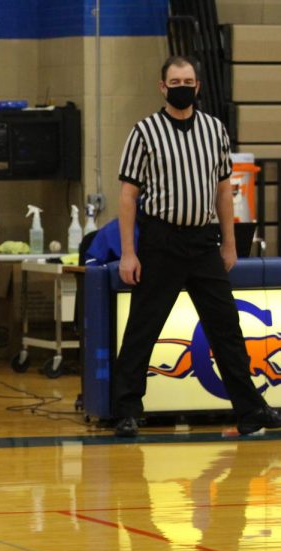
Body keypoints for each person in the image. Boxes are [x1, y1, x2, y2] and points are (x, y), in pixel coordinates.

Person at [113, 55, 281, 437]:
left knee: (227, 329)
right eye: (175, 81)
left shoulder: (215, 130)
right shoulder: (144, 131)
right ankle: (126, 410)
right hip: (161, 241)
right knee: (143, 327)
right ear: (163, 87)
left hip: (204, 241)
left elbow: (224, 190)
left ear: (198, 86)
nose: (182, 86)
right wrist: (128, 251)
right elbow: (127, 196)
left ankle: (251, 411)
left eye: (188, 80)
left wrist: (230, 243)